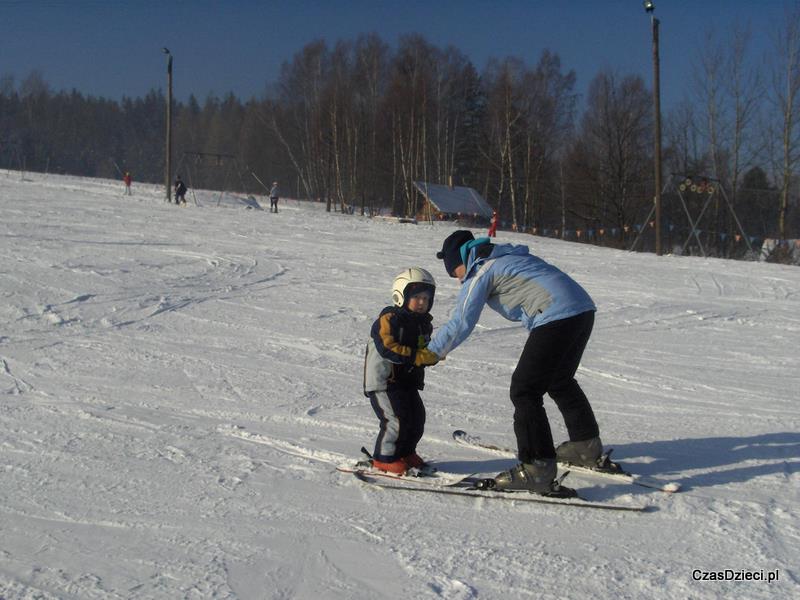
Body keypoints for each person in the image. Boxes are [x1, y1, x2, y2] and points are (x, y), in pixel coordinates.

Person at [426, 230, 601, 495]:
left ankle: (536, 468)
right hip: (582, 311)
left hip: (556, 316)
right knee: (559, 380)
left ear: (463, 258)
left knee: (524, 389)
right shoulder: (508, 257)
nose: (458, 279)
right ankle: (585, 445)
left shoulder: (483, 269)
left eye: (455, 272)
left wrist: (431, 352)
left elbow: (462, 320)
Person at [363, 267, 440, 474]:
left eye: (426, 298)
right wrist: (416, 356)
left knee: (416, 417)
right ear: (401, 296)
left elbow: (423, 350)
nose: (422, 302)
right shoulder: (389, 319)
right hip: (384, 381)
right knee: (396, 419)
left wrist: (432, 355)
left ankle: (405, 452)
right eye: (417, 297)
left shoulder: (424, 324)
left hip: (406, 382)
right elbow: (387, 347)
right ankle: (385, 458)